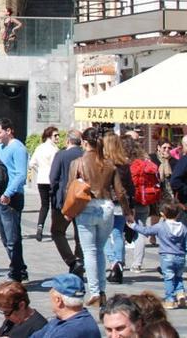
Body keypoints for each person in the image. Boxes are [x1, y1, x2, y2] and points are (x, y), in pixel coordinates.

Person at [73, 126, 131, 306]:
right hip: (107, 206)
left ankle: (95, 290)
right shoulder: (108, 164)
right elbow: (120, 192)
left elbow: (70, 188)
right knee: (99, 249)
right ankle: (102, 290)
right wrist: (128, 212)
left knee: (89, 251)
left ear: (84, 142)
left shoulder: (78, 162)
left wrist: (68, 212)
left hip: (86, 206)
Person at [129, 202, 187, 309]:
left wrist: (133, 226)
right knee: (178, 277)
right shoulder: (183, 227)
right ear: (178, 214)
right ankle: (181, 294)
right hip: (180, 256)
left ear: (162, 214)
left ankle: (170, 300)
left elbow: (146, 231)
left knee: (169, 278)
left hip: (167, 256)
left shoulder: (161, 226)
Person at [0, 118, 29, 283]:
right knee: (5, 236)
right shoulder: (2, 146)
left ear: (8, 131)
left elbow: (21, 175)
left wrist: (8, 193)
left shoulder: (18, 148)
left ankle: (17, 271)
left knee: (12, 237)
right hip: (1, 195)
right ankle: (19, 267)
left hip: (12, 196)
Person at [48, 129, 86, 276]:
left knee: (57, 232)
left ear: (67, 141)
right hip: (83, 200)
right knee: (80, 234)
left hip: (64, 201)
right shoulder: (85, 155)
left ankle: (71, 261)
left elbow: (53, 178)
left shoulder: (61, 155)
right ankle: (80, 260)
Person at [103, 133, 134, 284]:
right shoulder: (124, 163)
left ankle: (113, 262)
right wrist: (130, 207)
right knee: (117, 234)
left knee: (104, 236)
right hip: (121, 202)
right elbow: (129, 186)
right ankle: (119, 263)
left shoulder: (102, 163)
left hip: (105, 202)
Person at [29, 127, 60, 242]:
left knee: (44, 205)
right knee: (54, 206)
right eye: (55, 135)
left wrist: (40, 170)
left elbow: (32, 163)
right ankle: (54, 230)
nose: (57, 138)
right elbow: (55, 166)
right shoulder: (54, 149)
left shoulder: (39, 148)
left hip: (41, 179)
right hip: (52, 180)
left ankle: (40, 226)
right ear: (49, 136)